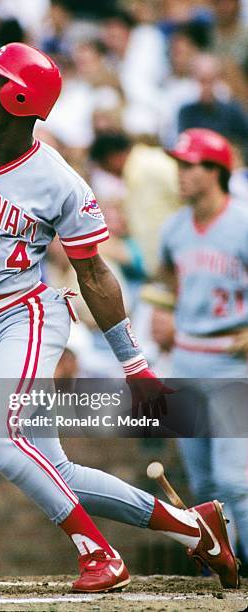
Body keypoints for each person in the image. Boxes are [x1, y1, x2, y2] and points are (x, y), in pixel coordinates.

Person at [0, 43, 239, 592]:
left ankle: (99, 555)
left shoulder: (58, 179)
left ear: (19, 97)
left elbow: (96, 275)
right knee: (57, 471)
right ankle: (196, 529)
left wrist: (134, 364)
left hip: (28, 315)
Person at [160, 127, 248, 567]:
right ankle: (228, 570)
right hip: (186, 357)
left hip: (233, 363)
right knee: (205, 482)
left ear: (215, 170)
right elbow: (164, 282)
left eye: (189, 164)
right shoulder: (174, 227)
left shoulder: (242, 222)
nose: (180, 172)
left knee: (236, 480)